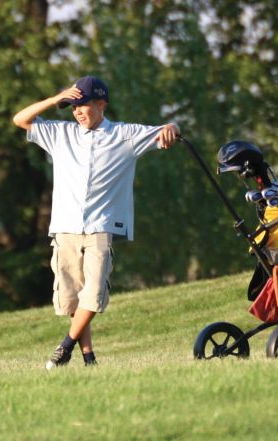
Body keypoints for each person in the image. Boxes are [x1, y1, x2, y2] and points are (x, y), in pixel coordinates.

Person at [12, 75, 180, 369]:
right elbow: (20, 119)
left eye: (83, 105)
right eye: (73, 107)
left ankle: (64, 348)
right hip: (65, 226)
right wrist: (55, 99)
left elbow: (168, 130)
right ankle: (88, 357)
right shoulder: (60, 133)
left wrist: (172, 128)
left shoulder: (125, 134)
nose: (77, 112)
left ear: (101, 104)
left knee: (94, 291)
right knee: (72, 298)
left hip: (102, 226)